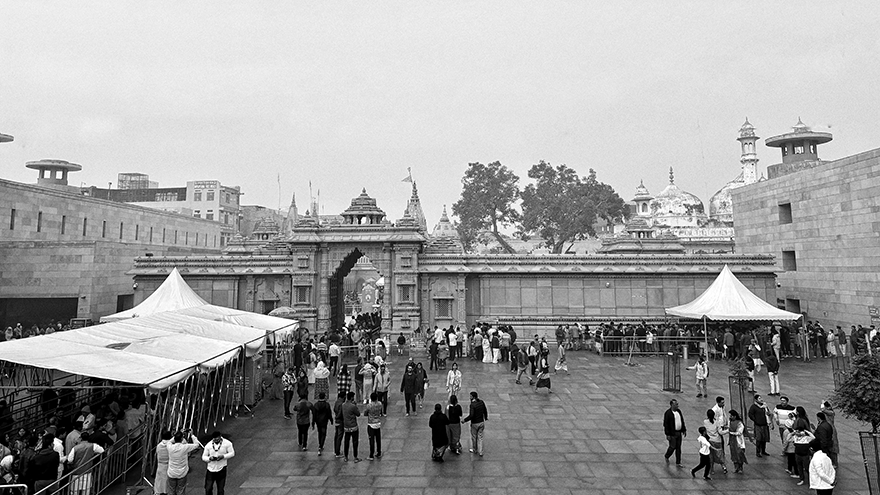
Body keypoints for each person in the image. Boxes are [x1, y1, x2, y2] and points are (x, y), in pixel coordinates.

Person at [165, 430, 201, 495]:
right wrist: (192, 435)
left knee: (171, 491)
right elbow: (196, 444)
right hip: (182, 473)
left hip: (171, 473)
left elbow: (170, 441)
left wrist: (177, 434)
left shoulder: (169, 447)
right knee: (181, 491)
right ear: (182, 439)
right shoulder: (185, 447)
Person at [461, 391, 488, 456]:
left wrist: (464, 420)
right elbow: (485, 410)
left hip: (475, 423)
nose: (469, 397)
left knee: (474, 437)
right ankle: (480, 451)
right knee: (480, 437)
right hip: (481, 422)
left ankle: (475, 449)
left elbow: (471, 415)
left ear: (473, 397)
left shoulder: (472, 405)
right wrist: (486, 417)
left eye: (470, 396)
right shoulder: (481, 402)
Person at [703, 409, 727, 474]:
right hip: (717, 441)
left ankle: (712, 469)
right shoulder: (717, 422)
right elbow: (720, 432)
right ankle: (723, 466)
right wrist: (728, 431)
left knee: (711, 456)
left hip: (710, 441)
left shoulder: (705, 422)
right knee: (720, 454)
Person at [663, 399, 686, 465]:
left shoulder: (679, 411)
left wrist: (684, 429)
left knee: (678, 448)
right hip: (672, 433)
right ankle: (667, 455)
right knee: (672, 447)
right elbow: (666, 424)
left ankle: (678, 462)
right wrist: (667, 434)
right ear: (672, 405)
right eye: (676, 404)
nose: (677, 405)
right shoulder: (668, 413)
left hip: (679, 432)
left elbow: (682, 420)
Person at [341, 391, 361, 462]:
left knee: (346, 441)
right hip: (353, 426)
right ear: (352, 397)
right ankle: (355, 457)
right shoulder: (353, 406)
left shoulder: (343, 405)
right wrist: (356, 406)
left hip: (346, 426)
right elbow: (358, 414)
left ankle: (346, 456)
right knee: (355, 442)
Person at [819, 401, 840, 468]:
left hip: (830, 430)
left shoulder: (830, 412)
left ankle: (834, 462)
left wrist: (823, 404)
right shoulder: (827, 413)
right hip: (827, 429)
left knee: (833, 447)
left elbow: (823, 410)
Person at [153, 430, 172, 495]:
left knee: (159, 483)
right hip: (169, 466)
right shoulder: (171, 446)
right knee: (167, 484)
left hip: (160, 466)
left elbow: (157, 456)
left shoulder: (159, 446)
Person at [365, 392, 383, 460]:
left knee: (371, 440)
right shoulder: (380, 404)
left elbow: (365, 413)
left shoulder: (369, 406)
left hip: (371, 424)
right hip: (378, 423)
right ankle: (379, 452)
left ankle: (371, 455)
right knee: (378, 439)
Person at [333, 393, 345, 458]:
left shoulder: (336, 402)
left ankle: (335, 450)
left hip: (336, 421)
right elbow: (341, 413)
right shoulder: (341, 404)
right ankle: (337, 452)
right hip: (340, 421)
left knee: (336, 435)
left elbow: (334, 409)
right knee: (339, 437)